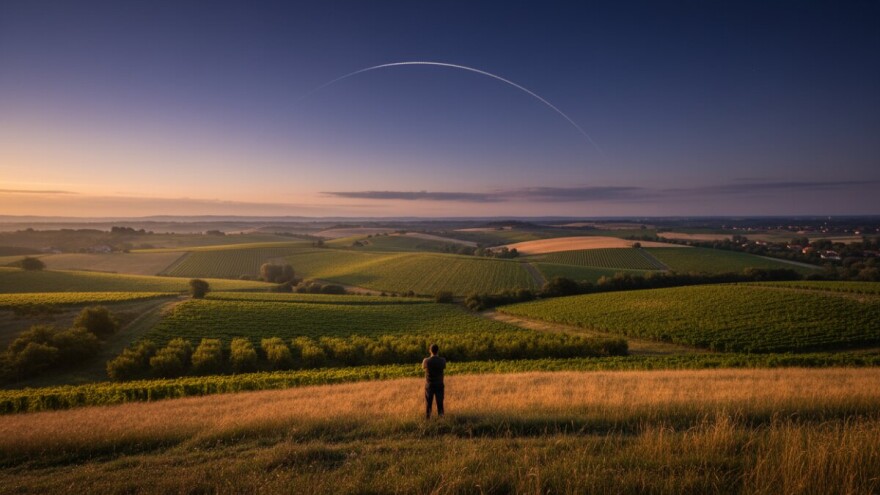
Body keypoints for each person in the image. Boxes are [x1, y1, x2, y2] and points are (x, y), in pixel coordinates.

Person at [422, 343, 446, 418]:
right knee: (440, 404)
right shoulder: (443, 360)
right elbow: (444, 367)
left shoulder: (426, 360)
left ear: (430, 351)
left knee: (428, 404)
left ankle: (428, 419)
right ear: (438, 350)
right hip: (439, 384)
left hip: (430, 385)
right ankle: (441, 420)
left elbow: (423, 367)